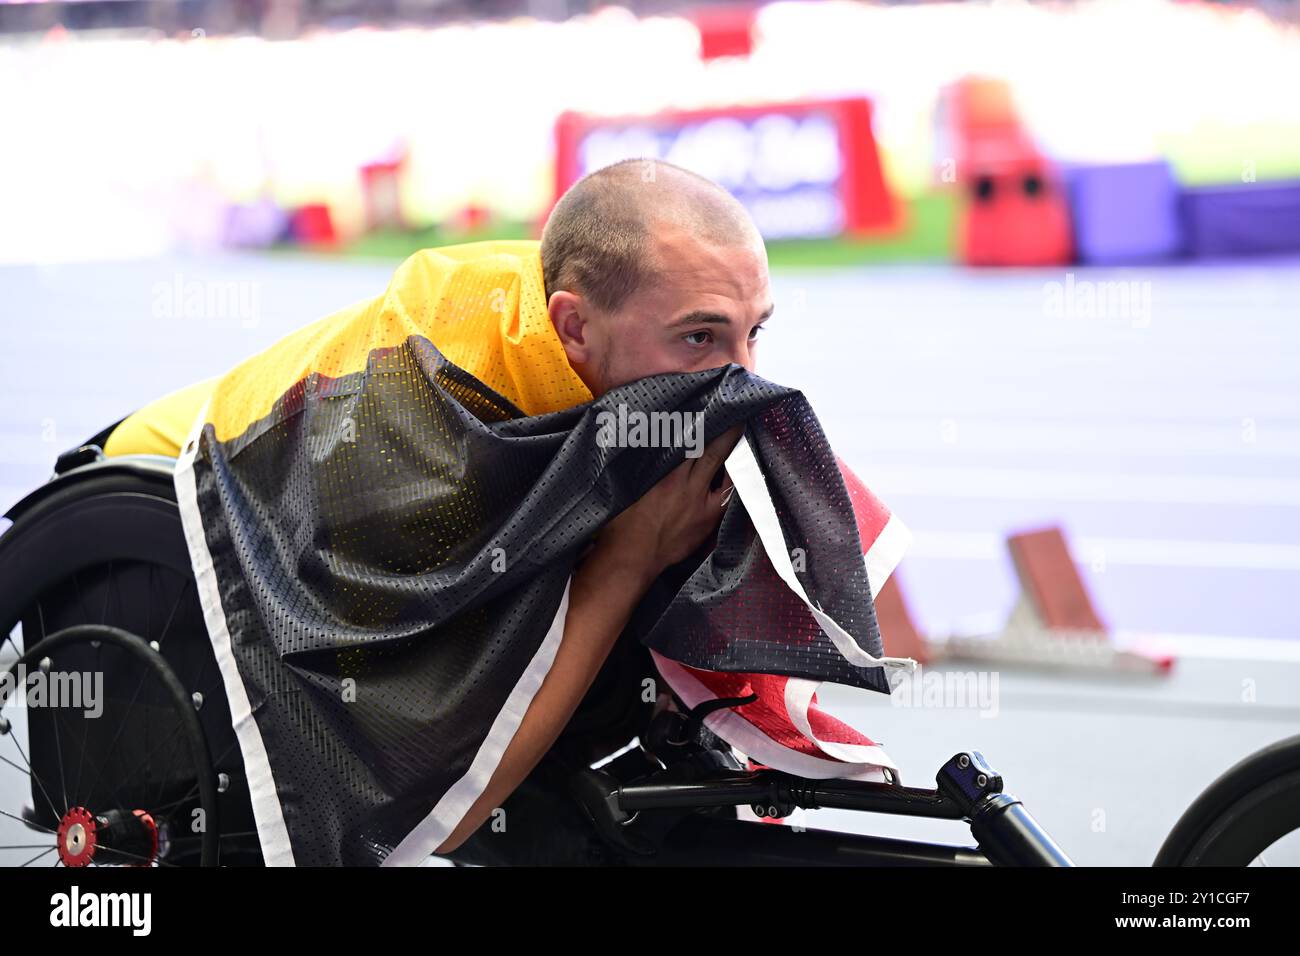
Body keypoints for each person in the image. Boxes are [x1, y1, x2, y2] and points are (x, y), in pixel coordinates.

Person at [105, 157, 775, 862]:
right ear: (572, 328)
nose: (742, 376)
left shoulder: (630, 303)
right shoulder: (422, 458)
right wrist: (628, 563)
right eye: (702, 338)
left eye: (754, 330)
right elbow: (427, 806)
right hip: (187, 479)